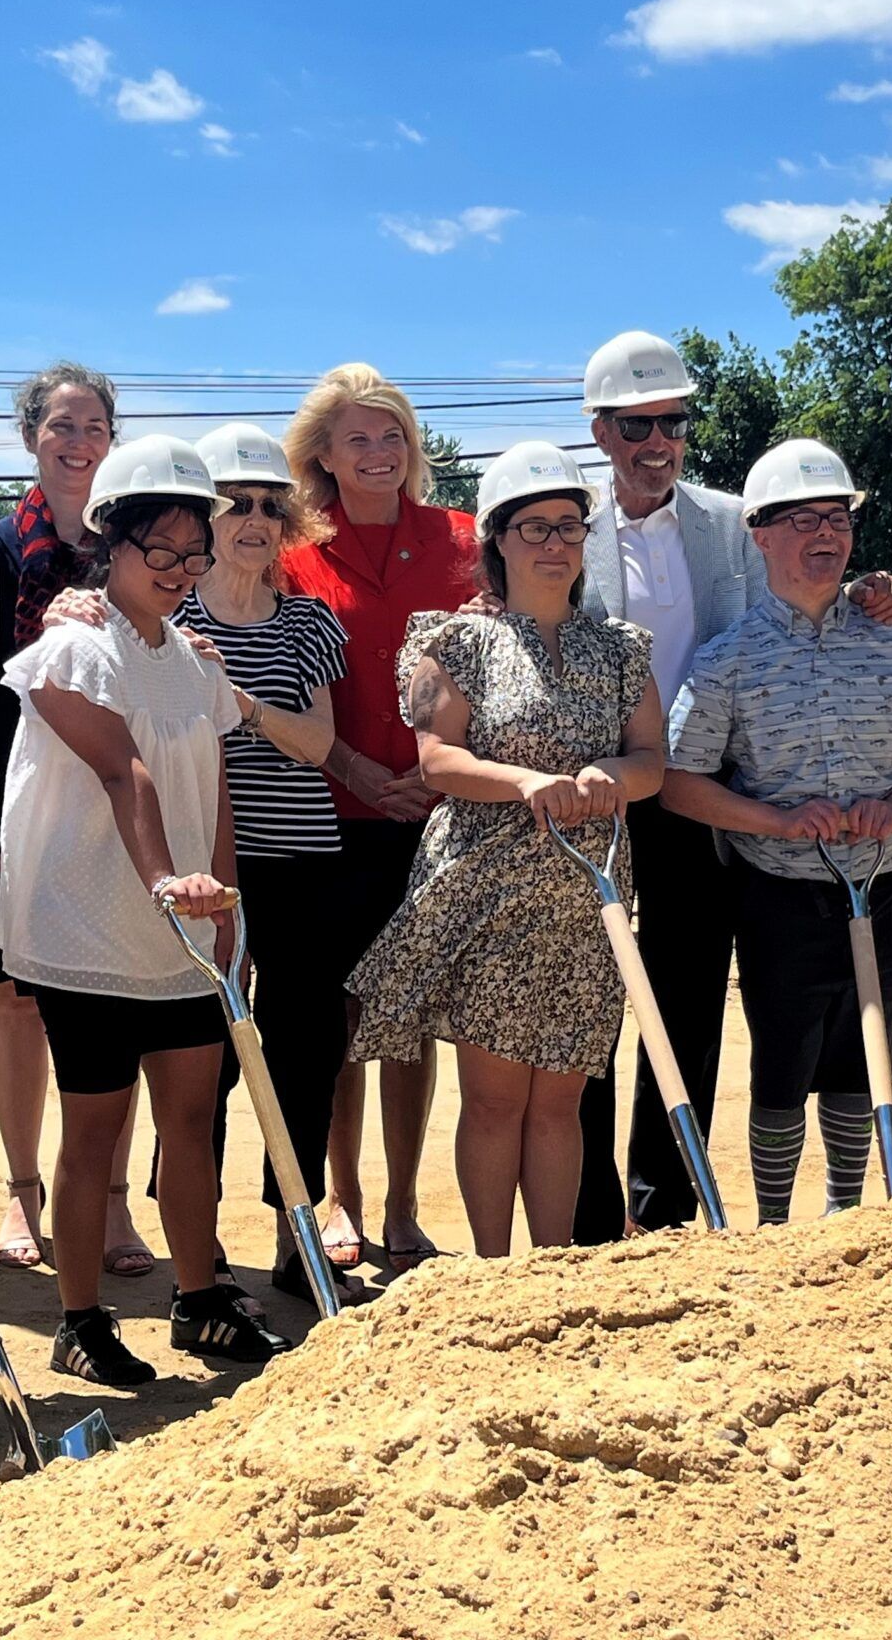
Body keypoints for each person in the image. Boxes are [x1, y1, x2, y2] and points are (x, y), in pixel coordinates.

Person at [569, 331, 892, 1240]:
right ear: (598, 429)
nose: (657, 441)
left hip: (696, 792)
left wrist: (876, 591)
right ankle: (591, 1215)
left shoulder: (729, 519)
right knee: (592, 1001)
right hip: (594, 791)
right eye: (636, 423)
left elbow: (812, 578)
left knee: (684, 1000)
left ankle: (665, 1204)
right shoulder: (567, 524)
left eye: (672, 420)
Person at [0, 437, 290, 1386]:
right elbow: (125, 774)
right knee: (96, 1131)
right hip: (89, 927)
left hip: (184, 933)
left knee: (192, 1117)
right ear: (109, 546)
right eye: (158, 553)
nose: (178, 572)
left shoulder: (195, 662)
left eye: (192, 554)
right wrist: (168, 881)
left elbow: (217, 790)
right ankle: (80, 1321)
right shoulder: (70, 651)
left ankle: (198, 1298)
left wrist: (224, 906)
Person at [350, 444, 666, 1257]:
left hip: (585, 896)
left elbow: (650, 760)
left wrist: (607, 775)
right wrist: (528, 781)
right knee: (495, 1101)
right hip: (487, 889)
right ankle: (493, 1272)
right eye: (534, 528)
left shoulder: (624, 648)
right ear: (497, 538)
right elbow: (437, 760)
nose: (554, 544)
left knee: (559, 1105)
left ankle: (550, 1270)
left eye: (569, 527)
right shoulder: (454, 644)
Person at [663, 439, 892, 1225]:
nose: (824, 534)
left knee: (862, 1062)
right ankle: (774, 1227)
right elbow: (678, 782)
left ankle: (849, 1218)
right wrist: (773, 820)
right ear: (759, 534)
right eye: (801, 519)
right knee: (783, 1067)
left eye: (837, 518)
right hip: (780, 897)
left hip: (884, 886)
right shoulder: (726, 660)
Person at [0, 364, 152, 1278]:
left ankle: (107, 1201)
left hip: (112, 798)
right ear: (30, 435)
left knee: (121, 996)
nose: (79, 442)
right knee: (17, 1006)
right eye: (61, 425)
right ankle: (24, 1193)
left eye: (95, 426)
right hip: (14, 795)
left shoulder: (139, 544)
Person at [279, 365, 478, 1272]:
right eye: (357, 437)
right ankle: (339, 1201)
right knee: (341, 1022)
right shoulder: (290, 556)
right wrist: (361, 772)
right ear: (320, 452)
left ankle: (402, 1206)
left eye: (392, 434)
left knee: (415, 1016)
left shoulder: (465, 541)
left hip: (442, 817)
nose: (379, 453)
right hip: (330, 819)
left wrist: (441, 778)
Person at [180, 423, 367, 1303]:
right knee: (203, 1052)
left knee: (303, 1049)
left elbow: (317, 741)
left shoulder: (307, 621)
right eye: (234, 503)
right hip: (205, 862)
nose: (252, 519)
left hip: (300, 859)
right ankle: (198, 1241)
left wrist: (240, 702)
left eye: (268, 505)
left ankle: (296, 1231)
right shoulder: (170, 618)